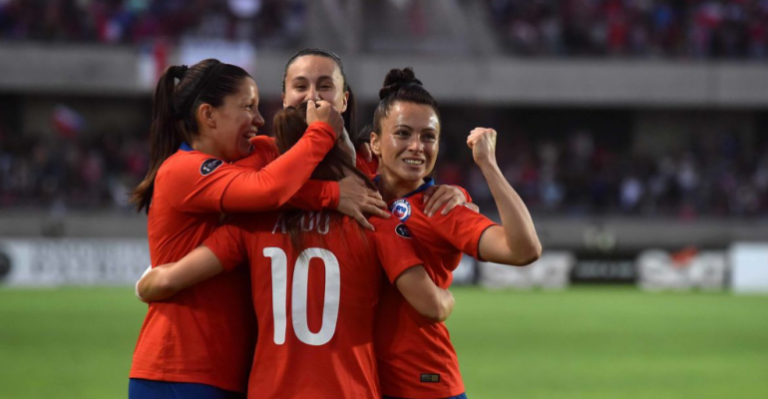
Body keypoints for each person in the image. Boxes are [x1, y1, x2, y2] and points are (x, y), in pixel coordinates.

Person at [136, 103, 456, 399]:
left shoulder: (250, 225)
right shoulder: (374, 221)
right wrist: (448, 296)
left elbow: (163, 282)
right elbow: (430, 305)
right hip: (348, 389)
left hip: (269, 390)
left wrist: (145, 282)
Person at [128, 58, 348, 399]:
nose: (259, 120)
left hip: (225, 372)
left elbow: (283, 178)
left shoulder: (245, 159)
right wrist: (325, 146)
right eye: (248, 107)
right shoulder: (183, 170)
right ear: (209, 115)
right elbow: (269, 190)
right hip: (180, 368)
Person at [369, 68, 542, 399]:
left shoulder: (440, 209)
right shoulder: (355, 189)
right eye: (403, 134)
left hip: (425, 384)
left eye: (428, 137)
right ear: (374, 142)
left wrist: (488, 165)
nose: (417, 147)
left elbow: (524, 249)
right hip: (361, 382)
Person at [280, 48, 474, 217]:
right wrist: (333, 193)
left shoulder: (368, 159)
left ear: (344, 100)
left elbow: (413, 202)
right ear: (284, 99)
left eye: (325, 86)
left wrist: (458, 194)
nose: (312, 96)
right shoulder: (262, 154)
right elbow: (261, 192)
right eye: (300, 86)